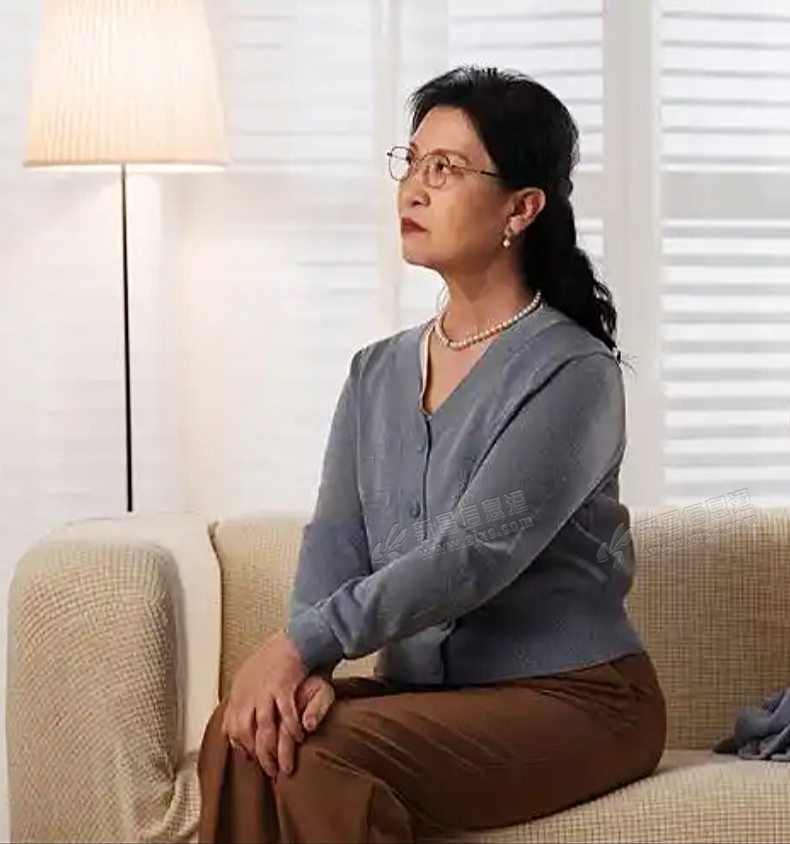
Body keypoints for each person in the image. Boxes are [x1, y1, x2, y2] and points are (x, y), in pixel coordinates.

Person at [197, 65, 666, 842]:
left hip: (576, 700)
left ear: (521, 207)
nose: (413, 188)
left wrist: (299, 644)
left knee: (319, 759)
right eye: (411, 163)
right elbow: (335, 540)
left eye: (445, 169)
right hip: (430, 700)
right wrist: (304, 671)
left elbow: (473, 553)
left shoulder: (574, 373)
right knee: (243, 732)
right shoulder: (375, 372)